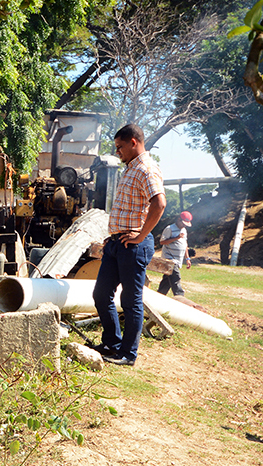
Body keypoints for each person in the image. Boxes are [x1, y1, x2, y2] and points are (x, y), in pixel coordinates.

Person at [92, 124, 166, 367]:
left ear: (134, 142)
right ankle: (111, 344)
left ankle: (127, 354)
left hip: (133, 245)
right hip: (117, 242)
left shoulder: (146, 168)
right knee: (101, 293)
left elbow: (159, 204)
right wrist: (112, 235)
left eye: (120, 146)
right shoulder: (131, 169)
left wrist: (141, 235)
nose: (118, 152)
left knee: (130, 301)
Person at [157, 211, 193, 297]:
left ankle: (159, 296)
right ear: (179, 219)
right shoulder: (169, 229)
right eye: (183, 223)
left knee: (167, 281)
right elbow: (162, 242)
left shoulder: (184, 230)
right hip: (169, 258)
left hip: (178, 259)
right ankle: (180, 297)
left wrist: (187, 258)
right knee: (176, 278)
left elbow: (185, 244)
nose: (184, 226)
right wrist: (176, 238)